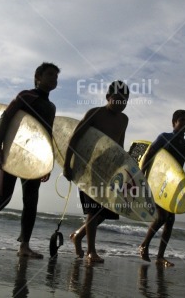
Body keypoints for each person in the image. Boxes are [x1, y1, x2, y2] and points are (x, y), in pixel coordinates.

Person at [0, 62, 60, 259]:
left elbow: (48, 135)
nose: (54, 79)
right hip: (13, 154)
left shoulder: (51, 106)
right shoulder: (26, 96)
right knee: (4, 196)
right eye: (50, 74)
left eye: (56, 76)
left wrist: (48, 163)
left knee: (31, 202)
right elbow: (5, 118)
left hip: (33, 160)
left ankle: (24, 246)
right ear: (38, 77)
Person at [63, 80, 130, 263]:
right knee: (93, 210)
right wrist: (67, 165)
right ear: (108, 97)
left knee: (104, 212)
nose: (121, 103)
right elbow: (74, 138)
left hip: (107, 170)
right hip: (87, 168)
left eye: (125, 100)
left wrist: (122, 169)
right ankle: (90, 251)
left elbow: (119, 146)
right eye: (117, 98)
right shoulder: (95, 113)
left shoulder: (124, 120)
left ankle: (78, 235)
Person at [138, 110, 185, 267]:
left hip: (171, 185)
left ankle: (159, 256)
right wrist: (142, 174)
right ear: (174, 123)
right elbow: (149, 154)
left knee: (170, 221)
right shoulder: (164, 137)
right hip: (157, 183)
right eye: (182, 119)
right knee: (163, 217)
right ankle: (144, 245)